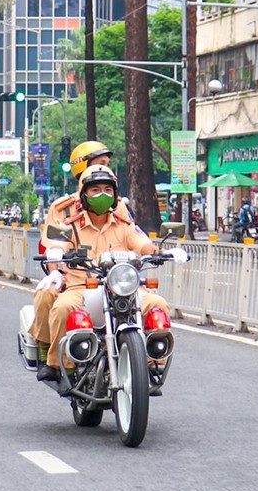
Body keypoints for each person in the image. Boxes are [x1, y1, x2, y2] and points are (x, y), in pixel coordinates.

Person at [34, 164, 177, 383]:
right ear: (84, 194)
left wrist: (163, 252)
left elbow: (142, 244)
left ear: (115, 194)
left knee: (157, 304)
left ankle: (151, 362)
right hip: (81, 287)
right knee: (62, 308)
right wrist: (55, 255)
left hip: (123, 288)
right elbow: (58, 243)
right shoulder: (70, 225)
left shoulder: (124, 224)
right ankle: (60, 365)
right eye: (95, 190)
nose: (102, 194)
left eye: (108, 190)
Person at [28, 141, 114, 357]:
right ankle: (48, 350)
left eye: (107, 164)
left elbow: (132, 234)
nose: (106, 168)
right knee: (46, 295)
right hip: (71, 275)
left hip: (110, 276)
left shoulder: (116, 203)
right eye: (101, 163)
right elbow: (54, 242)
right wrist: (56, 267)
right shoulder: (63, 208)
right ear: (83, 168)